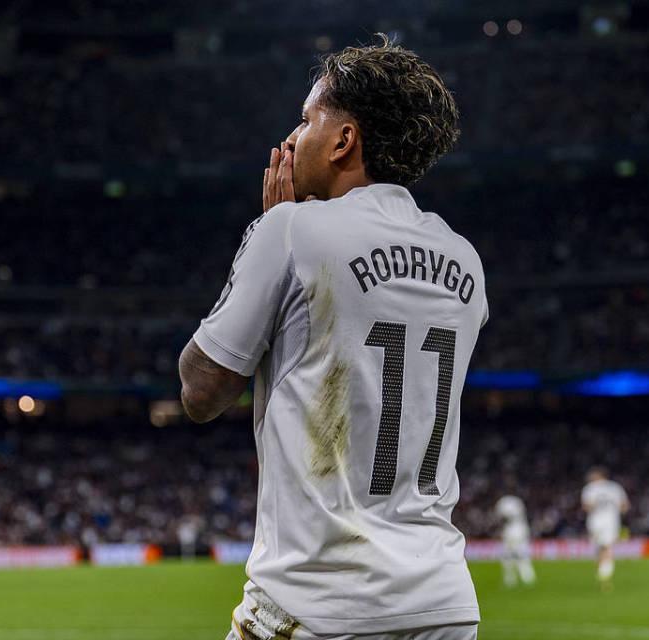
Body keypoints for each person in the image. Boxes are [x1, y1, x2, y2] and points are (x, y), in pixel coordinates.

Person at [179, 34, 485, 640]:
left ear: (344, 140)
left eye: (305, 119)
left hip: (320, 599)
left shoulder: (292, 230)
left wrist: (265, 232)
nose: (293, 138)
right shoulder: (464, 258)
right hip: (444, 603)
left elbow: (201, 392)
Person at [581, 466, 629, 588]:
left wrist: (597, 506)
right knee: (607, 546)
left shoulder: (590, 488)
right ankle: (605, 572)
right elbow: (624, 506)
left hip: (595, 522)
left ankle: (603, 574)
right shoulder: (615, 487)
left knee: (600, 547)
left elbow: (586, 507)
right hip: (611, 522)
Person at [494, 494, 536, 588]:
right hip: (521, 529)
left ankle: (511, 579)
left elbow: (501, 519)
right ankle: (527, 577)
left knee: (508, 556)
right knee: (521, 554)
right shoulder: (517, 500)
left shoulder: (502, 501)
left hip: (511, 531)